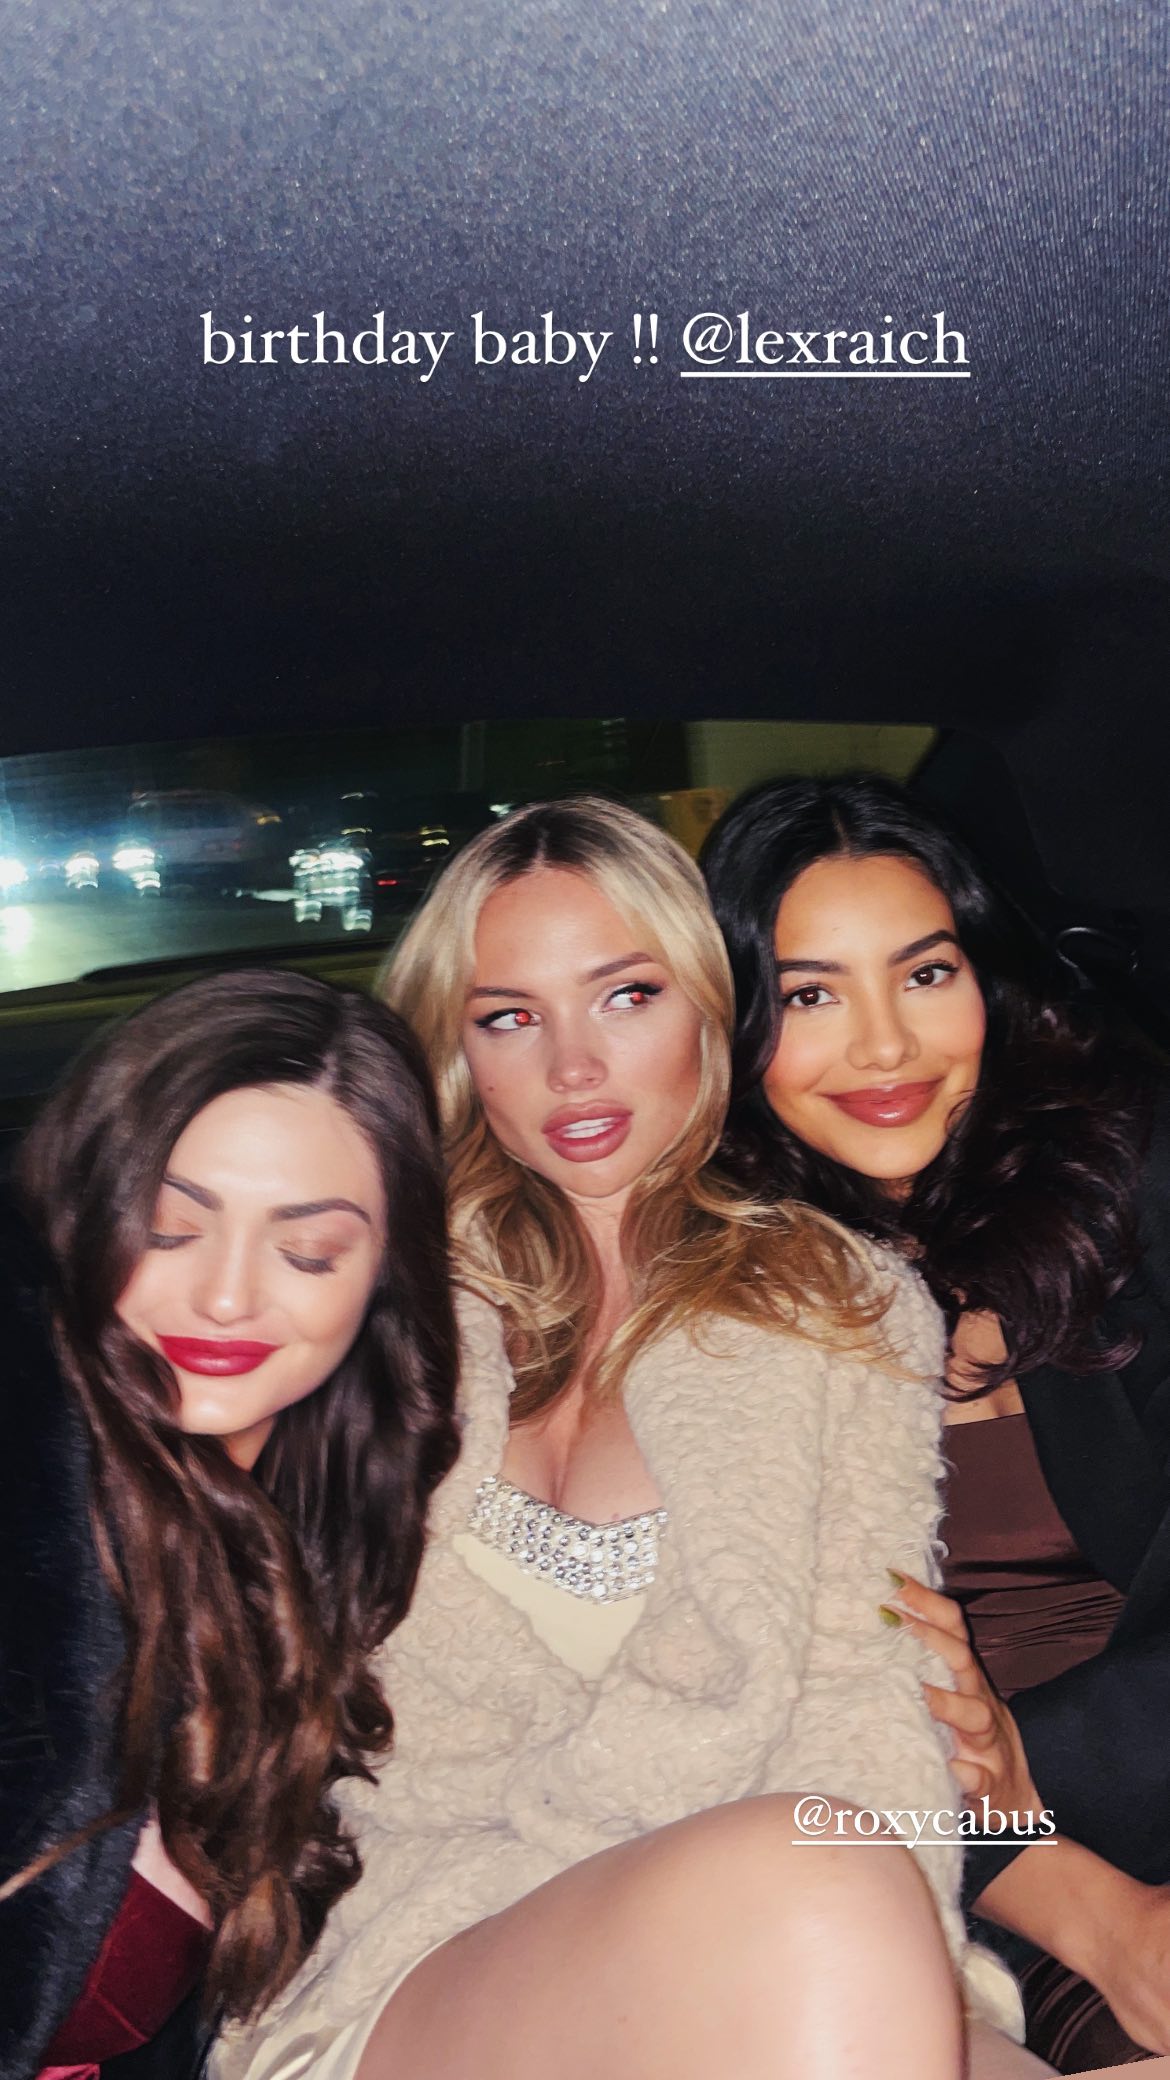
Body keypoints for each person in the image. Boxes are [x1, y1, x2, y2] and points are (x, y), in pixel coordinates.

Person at [213, 794, 1048, 2080]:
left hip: (758, 1924)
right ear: (457, 1047)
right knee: (813, 1886)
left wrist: (914, 1938)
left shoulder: (843, 1301)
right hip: (424, 1938)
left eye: (626, 996)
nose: (574, 1068)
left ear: (709, 1006)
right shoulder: (377, 1292)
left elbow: (861, 1704)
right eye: (510, 1016)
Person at [701, 770, 1170, 2073]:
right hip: (938, 1864)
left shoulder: (1124, 1177)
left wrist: (1037, 1762)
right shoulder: (714, 1305)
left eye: (923, 973)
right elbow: (782, 1729)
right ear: (730, 1024)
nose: (885, 1047)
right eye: (810, 995)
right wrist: (1092, 1911)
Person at [0, 969, 460, 2080]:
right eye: (169, 1229)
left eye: (309, 1252)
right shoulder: (32, 1527)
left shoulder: (335, 1547)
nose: (224, 1297)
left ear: (382, 1282)